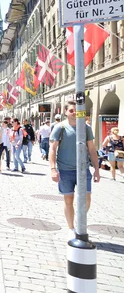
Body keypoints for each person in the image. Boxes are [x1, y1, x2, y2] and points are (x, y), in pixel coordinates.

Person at [49, 101, 100, 240]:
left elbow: (91, 149)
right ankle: (71, 228)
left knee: (87, 199)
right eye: (71, 110)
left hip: (83, 170)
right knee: (68, 200)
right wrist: (53, 169)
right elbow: (52, 149)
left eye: (77, 110)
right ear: (66, 112)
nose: (75, 113)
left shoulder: (85, 127)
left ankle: (79, 221)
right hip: (65, 170)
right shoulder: (60, 127)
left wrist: (97, 169)